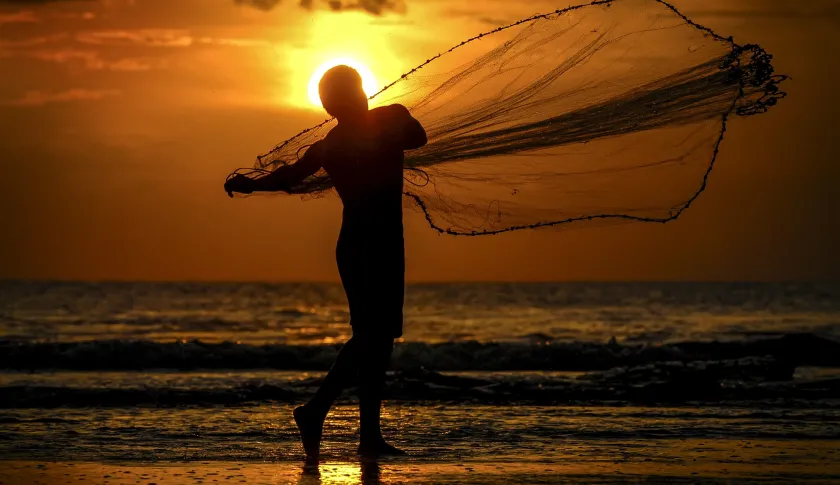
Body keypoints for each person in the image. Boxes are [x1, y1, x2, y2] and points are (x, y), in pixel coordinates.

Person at [224, 65, 427, 458]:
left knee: (378, 341)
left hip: (371, 244)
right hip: (368, 246)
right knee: (372, 337)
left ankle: (367, 435)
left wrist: (250, 183)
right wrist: (250, 184)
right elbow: (288, 175)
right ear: (354, 95)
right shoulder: (361, 132)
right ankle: (317, 411)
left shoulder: (338, 141)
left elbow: (418, 138)